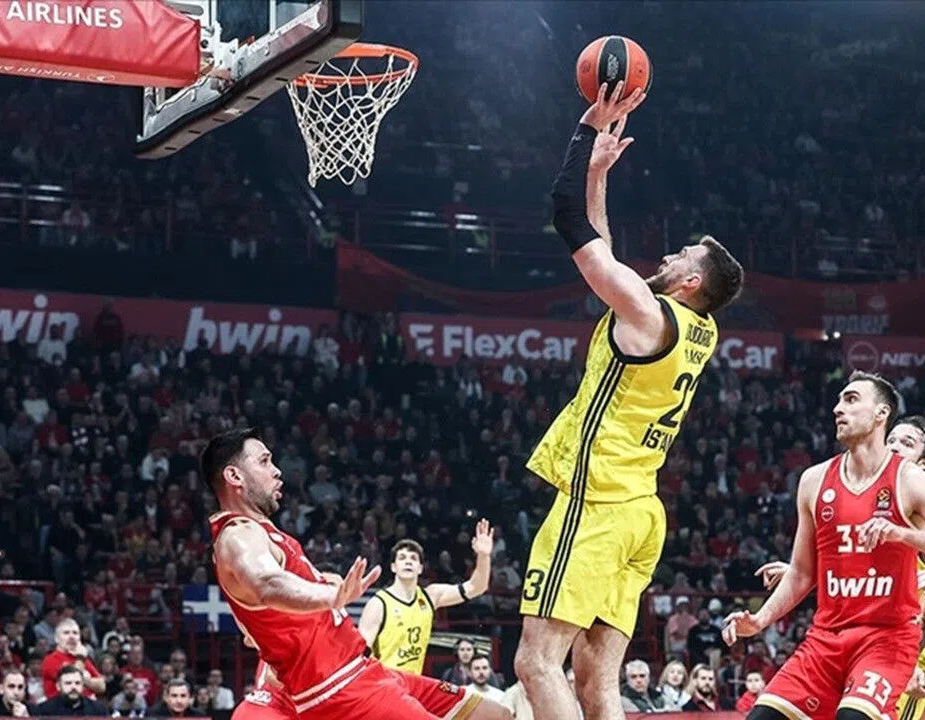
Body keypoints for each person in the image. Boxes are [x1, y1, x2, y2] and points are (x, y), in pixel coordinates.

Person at [515, 81, 746, 720]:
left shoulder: (647, 314)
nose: (668, 255)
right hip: (642, 510)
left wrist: (586, 128)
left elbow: (568, 220)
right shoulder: (697, 328)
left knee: (536, 663)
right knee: (598, 683)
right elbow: (608, 254)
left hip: (599, 502)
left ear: (691, 280)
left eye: (681, 255)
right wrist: (600, 175)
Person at [723, 372, 925, 720]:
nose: (837, 409)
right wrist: (760, 620)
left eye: (850, 400)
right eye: (838, 401)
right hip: (825, 639)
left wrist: (903, 535)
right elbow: (802, 572)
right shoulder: (814, 480)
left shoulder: (912, 481)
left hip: (887, 640)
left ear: (881, 414)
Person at [203, 428, 509, 720]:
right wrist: (331, 596)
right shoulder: (237, 535)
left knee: (497, 714)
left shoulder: (267, 535)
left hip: (367, 670)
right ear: (234, 476)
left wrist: (324, 585)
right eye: (264, 461)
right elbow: (267, 583)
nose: (277, 470)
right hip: (339, 687)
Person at [757, 415, 925, 720]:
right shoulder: (868, 502)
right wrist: (797, 572)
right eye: (891, 440)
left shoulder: (924, 511)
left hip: (918, 641)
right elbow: (854, 574)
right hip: (859, 638)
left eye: (907, 443)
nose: (894, 447)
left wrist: (917, 659)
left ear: (924, 464)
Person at [358, 521, 494, 674]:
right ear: (393, 567)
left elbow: (477, 587)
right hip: (384, 683)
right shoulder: (378, 603)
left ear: (420, 568)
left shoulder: (431, 596)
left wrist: (483, 556)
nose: (408, 561)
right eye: (402, 558)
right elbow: (360, 655)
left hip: (414, 682)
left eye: (413, 558)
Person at [41, 617, 105, 699]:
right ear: (56, 639)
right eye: (66, 633)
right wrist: (86, 676)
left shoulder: (81, 658)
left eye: (75, 633)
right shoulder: (50, 660)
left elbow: (102, 686)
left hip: (85, 704)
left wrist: (85, 679)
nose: (72, 637)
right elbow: (72, 678)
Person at [34, 666, 108, 716]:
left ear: (83, 686)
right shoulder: (44, 710)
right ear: (58, 686)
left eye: (77, 683)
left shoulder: (98, 710)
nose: (73, 687)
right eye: (68, 683)